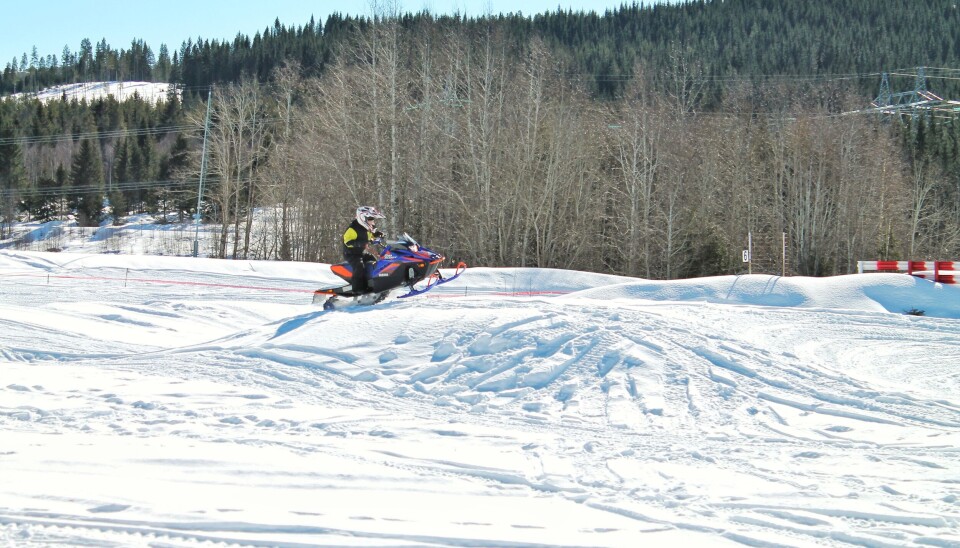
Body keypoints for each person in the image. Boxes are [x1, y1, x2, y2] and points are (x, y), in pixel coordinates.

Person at [343, 206, 385, 294]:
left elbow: (371, 236)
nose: (372, 222)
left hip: (361, 252)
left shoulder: (368, 228)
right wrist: (361, 243)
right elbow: (348, 242)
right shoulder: (353, 228)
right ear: (363, 218)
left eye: (372, 219)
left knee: (374, 263)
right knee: (359, 266)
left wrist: (378, 235)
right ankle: (358, 290)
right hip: (351, 254)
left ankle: (373, 284)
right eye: (370, 219)